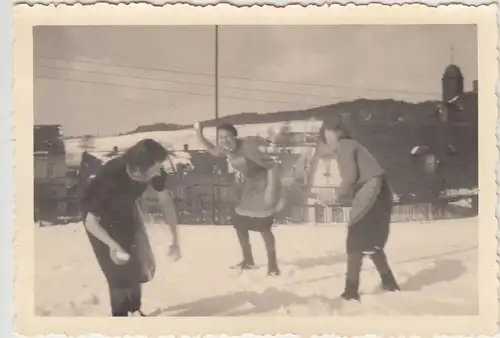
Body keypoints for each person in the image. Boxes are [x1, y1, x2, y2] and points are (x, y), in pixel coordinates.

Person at [81, 139, 181, 316]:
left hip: (125, 208)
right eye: (156, 167)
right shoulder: (110, 177)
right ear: (141, 167)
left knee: (136, 261)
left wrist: (175, 240)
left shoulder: (156, 172)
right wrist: (113, 245)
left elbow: (166, 203)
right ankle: (120, 320)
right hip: (98, 218)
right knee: (117, 271)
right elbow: (91, 222)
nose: (160, 171)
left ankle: (135, 310)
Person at [314, 117, 400, 301]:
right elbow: (355, 182)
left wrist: (337, 196)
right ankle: (389, 282)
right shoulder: (352, 145)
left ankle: (351, 291)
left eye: (331, 131)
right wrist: (342, 196)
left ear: (338, 132)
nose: (329, 135)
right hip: (380, 191)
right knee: (370, 242)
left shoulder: (345, 146)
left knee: (355, 240)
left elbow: (350, 177)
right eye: (326, 132)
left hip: (373, 190)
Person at [194, 122, 282, 276]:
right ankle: (248, 260)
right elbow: (212, 150)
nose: (224, 140)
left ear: (235, 136)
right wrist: (199, 133)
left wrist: (270, 191)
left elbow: (269, 159)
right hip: (250, 186)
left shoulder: (248, 147)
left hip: (265, 184)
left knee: (263, 226)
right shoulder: (225, 148)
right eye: (221, 138)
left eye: (228, 136)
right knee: (239, 221)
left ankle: (273, 266)